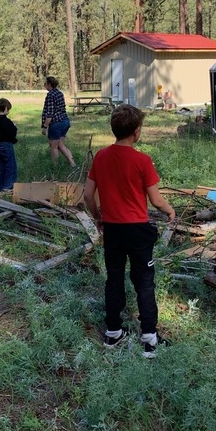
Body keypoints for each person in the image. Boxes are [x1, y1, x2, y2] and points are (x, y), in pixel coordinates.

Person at [83, 104, 176, 359]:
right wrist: (170, 211)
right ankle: (149, 339)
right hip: (137, 231)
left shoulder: (101, 157)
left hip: (113, 230)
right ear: (136, 131)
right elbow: (156, 200)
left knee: (114, 279)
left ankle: (113, 331)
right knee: (144, 282)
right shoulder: (142, 160)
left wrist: (98, 217)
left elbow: (87, 195)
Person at [41, 76, 75, 166]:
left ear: (49, 84)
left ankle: (55, 167)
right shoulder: (60, 93)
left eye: (45, 83)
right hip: (65, 121)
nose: (44, 85)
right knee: (61, 145)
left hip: (56, 124)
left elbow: (50, 113)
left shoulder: (50, 95)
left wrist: (44, 127)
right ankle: (73, 164)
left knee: (53, 147)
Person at [0, 97, 18, 191]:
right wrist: (14, 127)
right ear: (6, 108)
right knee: (11, 167)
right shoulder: (6, 121)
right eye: (8, 109)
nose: (8, 112)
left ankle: (1, 186)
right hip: (6, 145)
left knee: (2, 167)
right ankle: (8, 187)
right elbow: (11, 133)